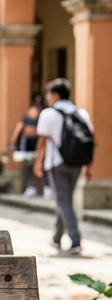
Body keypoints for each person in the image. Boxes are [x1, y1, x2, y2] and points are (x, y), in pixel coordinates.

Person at [34, 78, 94, 256]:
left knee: (64, 200)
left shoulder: (49, 114)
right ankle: (57, 237)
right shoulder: (81, 113)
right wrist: (89, 166)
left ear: (55, 95)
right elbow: (90, 140)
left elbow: (42, 141)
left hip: (57, 163)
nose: (47, 97)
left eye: (48, 94)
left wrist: (38, 163)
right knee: (64, 199)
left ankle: (75, 240)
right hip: (77, 163)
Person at [8, 94, 44, 197]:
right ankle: (30, 188)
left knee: (36, 168)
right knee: (28, 168)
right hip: (27, 146)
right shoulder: (26, 118)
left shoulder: (41, 117)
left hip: (36, 146)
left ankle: (40, 188)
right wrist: (13, 142)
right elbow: (18, 129)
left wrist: (12, 142)